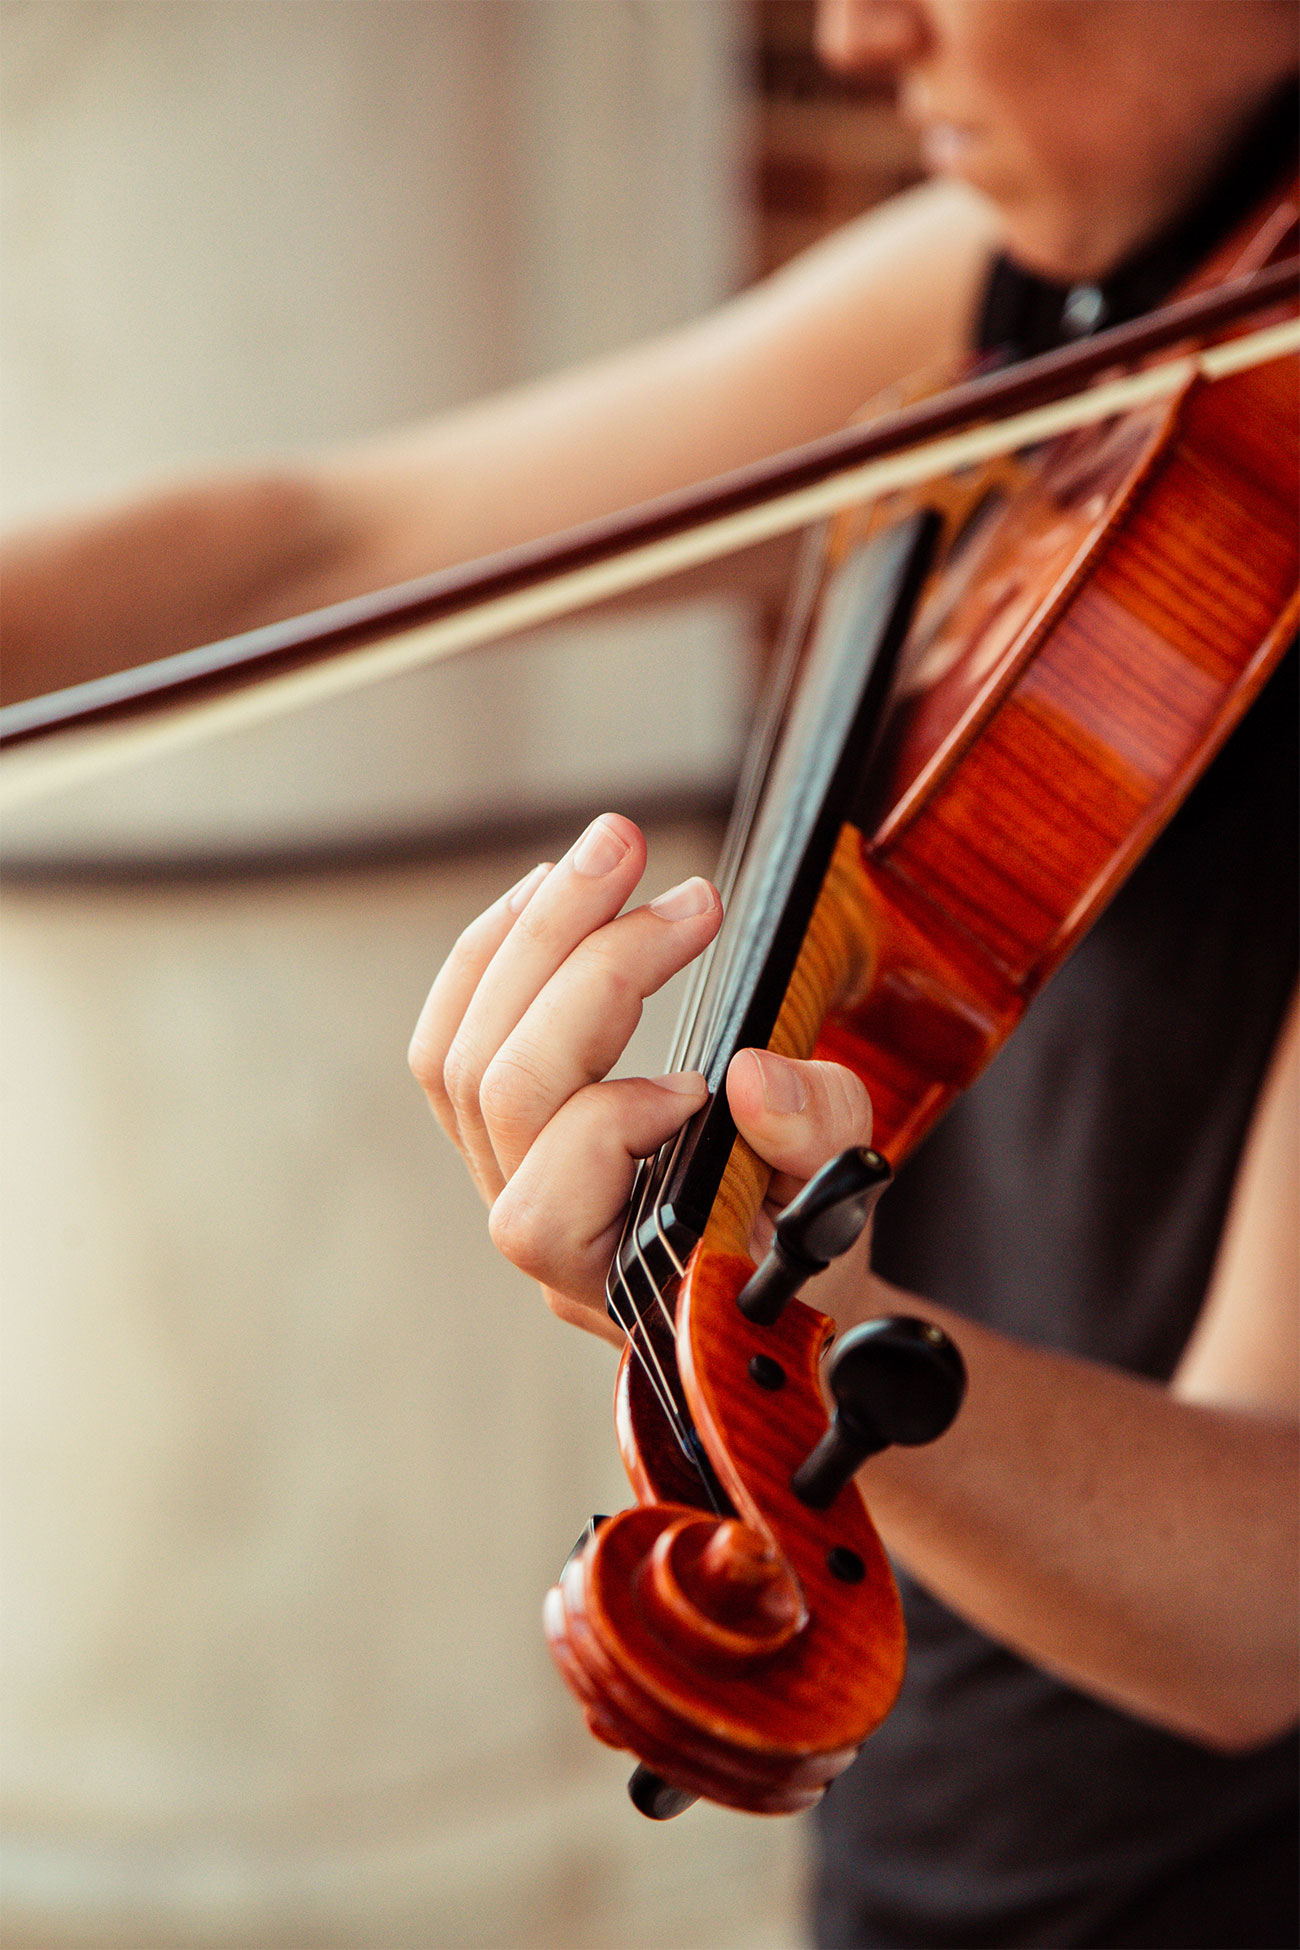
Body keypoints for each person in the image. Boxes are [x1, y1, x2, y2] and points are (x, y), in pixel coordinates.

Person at [7, 5, 1298, 1945]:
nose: (860, 32)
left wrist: (787, 1313)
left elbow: (1259, 1605)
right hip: (915, 1798)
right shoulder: (1035, 290)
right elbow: (323, 536)